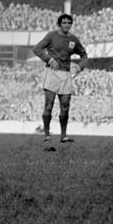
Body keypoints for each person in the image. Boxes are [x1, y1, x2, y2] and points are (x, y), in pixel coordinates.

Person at [33, 14, 88, 143]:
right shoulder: (52, 36)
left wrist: (80, 67)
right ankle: (47, 134)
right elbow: (37, 48)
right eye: (64, 22)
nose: (67, 25)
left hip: (65, 73)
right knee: (49, 104)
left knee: (65, 105)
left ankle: (63, 136)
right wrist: (49, 58)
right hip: (52, 73)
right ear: (59, 24)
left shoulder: (74, 39)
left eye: (69, 23)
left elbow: (84, 55)